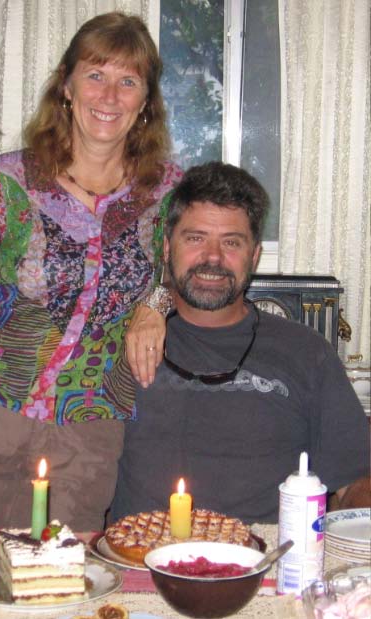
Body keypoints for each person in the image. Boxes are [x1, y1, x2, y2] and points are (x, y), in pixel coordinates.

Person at [0, 12, 182, 531]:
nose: (109, 96)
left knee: (61, 571)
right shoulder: (6, 181)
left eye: (128, 81)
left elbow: (196, 269)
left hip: (87, 429)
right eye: (95, 75)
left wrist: (154, 307)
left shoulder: (168, 192)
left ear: (146, 102)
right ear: (66, 86)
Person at [107, 161, 370, 524]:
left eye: (231, 242)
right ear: (167, 248)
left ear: (255, 256)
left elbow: (356, 480)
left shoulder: (307, 353)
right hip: (138, 553)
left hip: (266, 554)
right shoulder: (118, 342)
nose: (213, 257)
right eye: (195, 238)